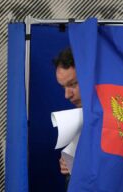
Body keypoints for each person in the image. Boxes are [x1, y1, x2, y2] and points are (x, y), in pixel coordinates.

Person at [53, 47, 82, 188]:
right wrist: (69, 163)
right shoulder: (80, 117)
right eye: (64, 87)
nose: (67, 95)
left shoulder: (119, 117)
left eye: (73, 84)